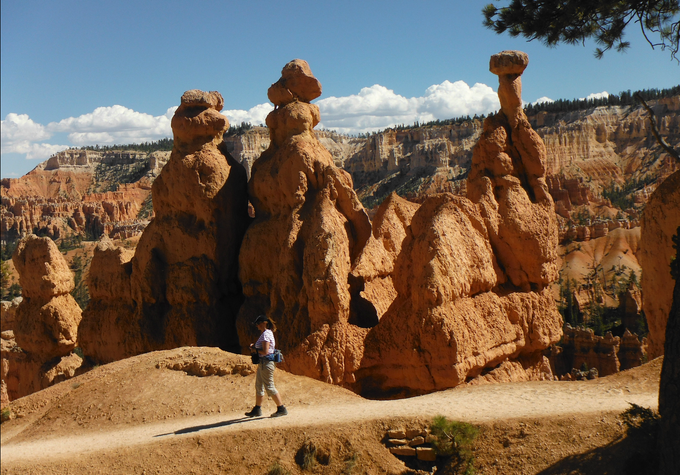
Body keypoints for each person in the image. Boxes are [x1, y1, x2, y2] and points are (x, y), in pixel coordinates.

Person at [245, 315, 288, 418]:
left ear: (264, 323)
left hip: (266, 363)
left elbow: (265, 351)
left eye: (258, 323)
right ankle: (257, 409)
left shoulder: (266, 335)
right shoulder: (267, 333)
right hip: (264, 363)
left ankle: (281, 408)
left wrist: (254, 349)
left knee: (269, 386)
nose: (257, 326)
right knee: (259, 385)